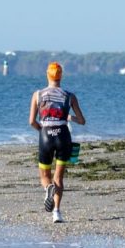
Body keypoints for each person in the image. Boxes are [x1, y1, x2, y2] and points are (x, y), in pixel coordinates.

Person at [29, 62, 86, 223]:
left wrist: (43, 131)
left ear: (47, 74)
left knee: (44, 176)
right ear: (61, 76)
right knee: (59, 177)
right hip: (63, 136)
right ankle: (57, 212)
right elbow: (82, 121)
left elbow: (32, 122)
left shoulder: (38, 95)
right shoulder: (70, 96)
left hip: (46, 134)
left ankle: (48, 188)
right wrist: (68, 117)